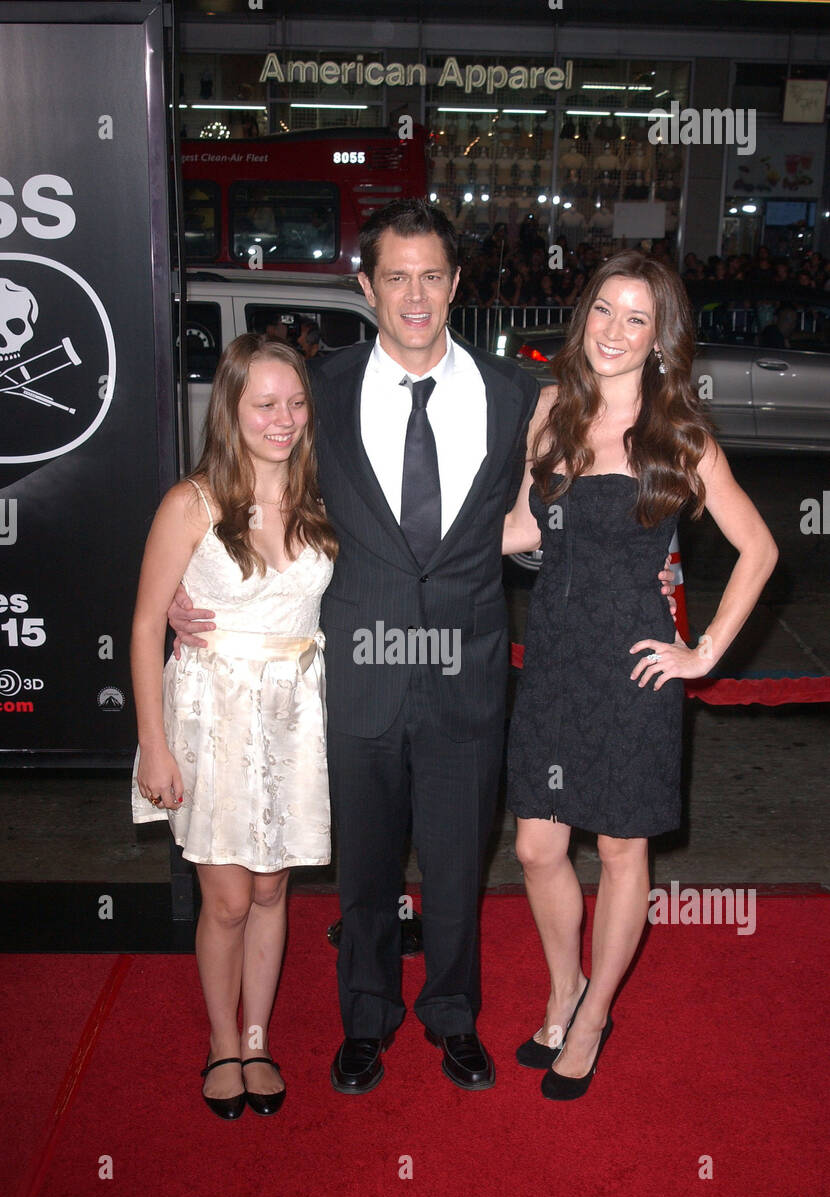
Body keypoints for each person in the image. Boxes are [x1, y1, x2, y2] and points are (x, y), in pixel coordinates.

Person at [169, 201, 676, 1098]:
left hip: (469, 672)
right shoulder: (318, 386)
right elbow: (240, 470)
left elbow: (613, 469)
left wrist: (665, 581)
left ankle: (452, 1017)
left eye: (432, 275)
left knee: (456, 868)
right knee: (363, 873)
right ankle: (364, 1021)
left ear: (454, 284)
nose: (415, 293)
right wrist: (184, 579)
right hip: (355, 671)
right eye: (395, 276)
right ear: (367, 286)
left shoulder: (519, 391)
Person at [502, 249, 778, 1100]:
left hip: (634, 670)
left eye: (637, 319)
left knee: (622, 848)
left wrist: (701, 655)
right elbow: (517, 531)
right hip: (552, 659)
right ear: (582, 317)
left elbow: (760, 549)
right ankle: (563, 987)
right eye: (603, 312)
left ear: (661, 339)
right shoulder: (549, 408)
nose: (615, 332)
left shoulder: (678, 435)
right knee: (537, 844)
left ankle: (592, 1017)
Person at [131, 337, 336, 1119]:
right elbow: (149, 622)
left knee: (274, 887)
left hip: (293, 717)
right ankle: (222, 1043)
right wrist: (154, 742)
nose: (281, 420)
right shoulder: (192, 502)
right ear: (232, 410)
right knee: (225, 899)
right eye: (263, 405)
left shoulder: (322, 497)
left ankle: (257, 1038)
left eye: (293, 403)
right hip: (210, 716)